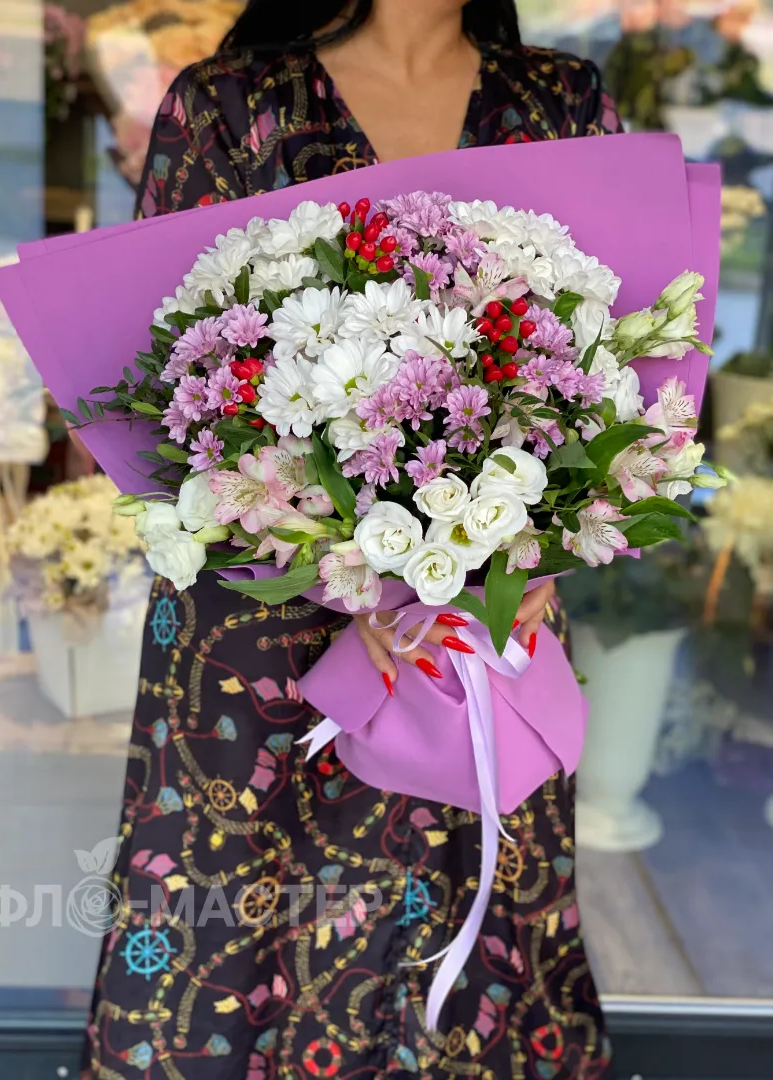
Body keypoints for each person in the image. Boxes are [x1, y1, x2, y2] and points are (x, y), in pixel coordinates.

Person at [82, 3, 621, 1077]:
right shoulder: (229, 106)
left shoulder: (561, 102)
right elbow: (164, 385)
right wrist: (344, 568)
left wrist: (544, 547)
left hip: (481, 607)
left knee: (472, 911)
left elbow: (615, 369)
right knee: (241, 932)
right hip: (263, 618)